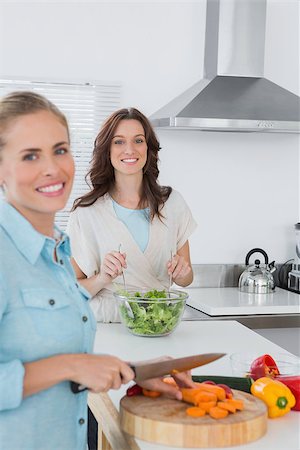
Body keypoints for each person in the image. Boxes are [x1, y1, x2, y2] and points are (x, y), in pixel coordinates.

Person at [0, 92, 193, 450]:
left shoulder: (54, 249)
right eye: (30, 155)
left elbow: (51, 356)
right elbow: (64, 364)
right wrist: (71, 366)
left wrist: (134, 371)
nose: (52, 168)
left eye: (60, 150)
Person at [67, 107, 197, 323]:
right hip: (109, 325)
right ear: (107, 150)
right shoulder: (86, 212)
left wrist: (182, 273)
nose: (130, 149)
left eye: (138, 140)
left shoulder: (172, 203)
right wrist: (102, 278)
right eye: (119, 141)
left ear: (148, 148)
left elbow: (186, 279)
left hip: (159, 322)